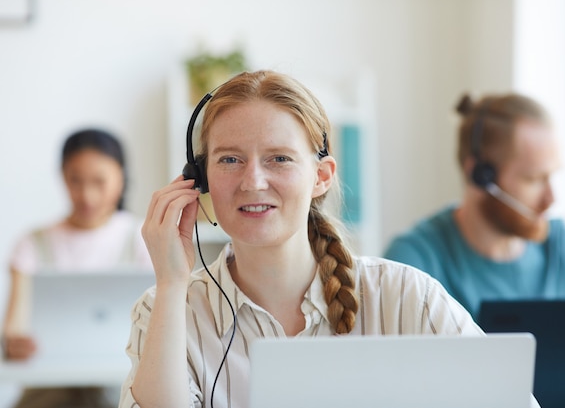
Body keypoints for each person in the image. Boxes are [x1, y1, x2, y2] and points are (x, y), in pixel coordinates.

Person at [116, 70, 506, 408]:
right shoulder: (164, 310)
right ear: (199, 180)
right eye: (229, 159)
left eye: (279, 158)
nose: (252, 181)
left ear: (321, 176)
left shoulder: (406, 297)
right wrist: (170, 283)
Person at [384, 93, 565, 320]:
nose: (551, 198)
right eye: (534, 179)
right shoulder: (413, 262)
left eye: (552, 176)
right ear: (479, 175)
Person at [2, 128, 152, 408]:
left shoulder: (145, 237)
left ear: (121, 177)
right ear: (61, 177)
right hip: (48, 391)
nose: (87, 195)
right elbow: (13, 331)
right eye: (75, 181)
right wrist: (13, 345)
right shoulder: (31, 245)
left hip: (124, 388)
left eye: (99, 181)